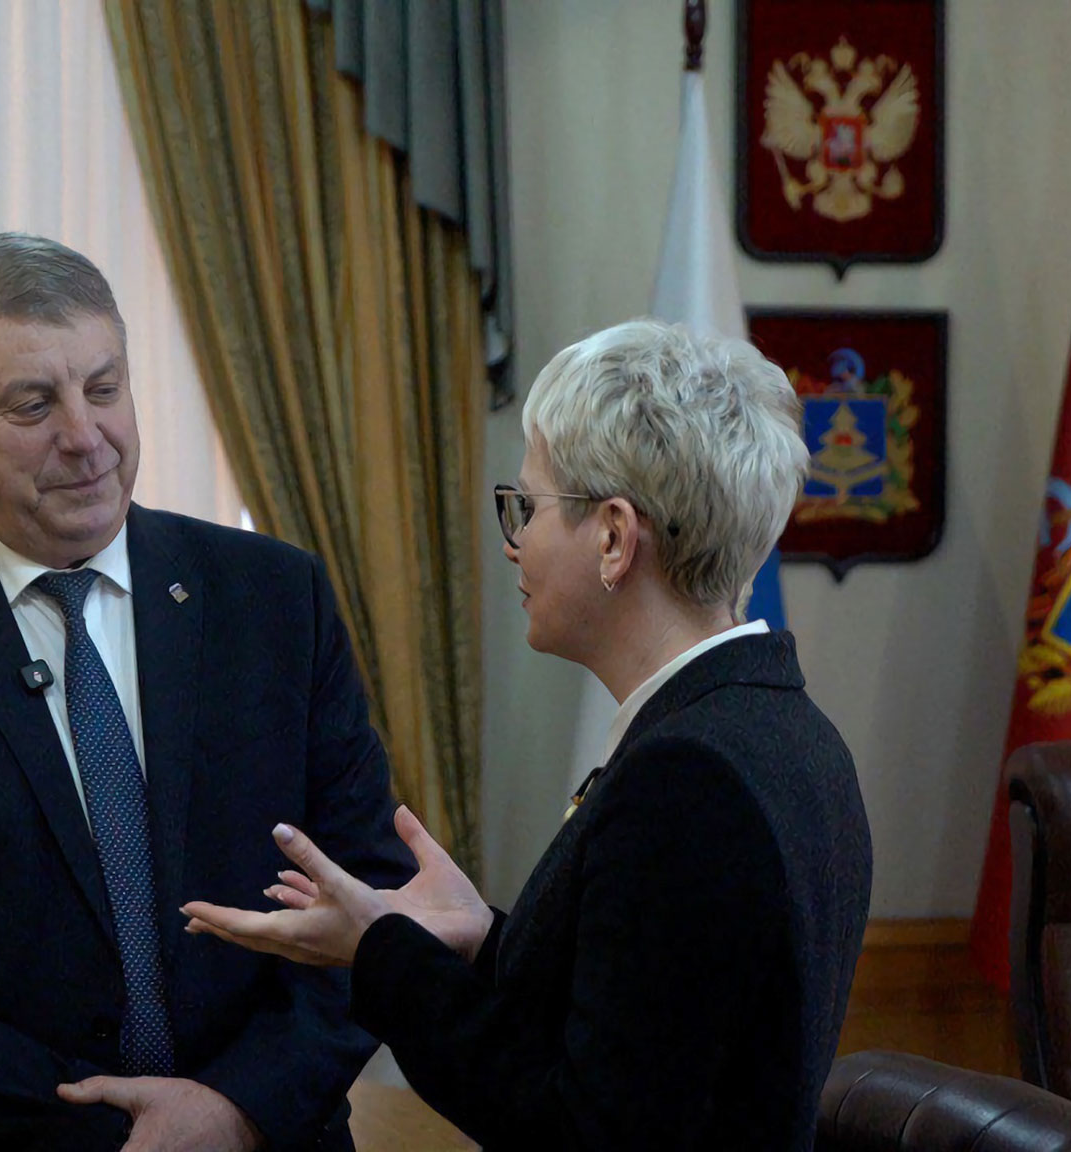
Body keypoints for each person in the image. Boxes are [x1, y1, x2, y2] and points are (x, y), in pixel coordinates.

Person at [0, 233, 412, 1151]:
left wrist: (235, 1110)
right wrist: (114, 1129)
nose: (85, 436)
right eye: (34, 405)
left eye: (104, 389)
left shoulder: (275, 598)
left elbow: (370, 895)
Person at [186, 318, 875, 1150]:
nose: (514, 545)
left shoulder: (689, 782)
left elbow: (578, 1130)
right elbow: (657, 1022)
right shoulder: (787, 729)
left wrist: (378, 953)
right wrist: (486, 939)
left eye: (529, 507)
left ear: (614, 537)